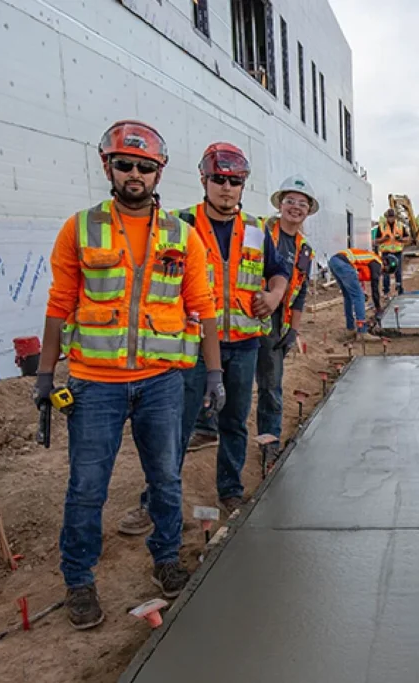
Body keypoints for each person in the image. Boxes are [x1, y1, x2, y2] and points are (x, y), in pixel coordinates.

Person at [34, 120, 223, 629]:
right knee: (87, 487)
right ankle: (79, 579)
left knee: (165, 478)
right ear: (107, 167)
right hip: (95, 384)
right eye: (125, 165)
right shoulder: (80, 228)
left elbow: (203, 307)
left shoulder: (181, 236)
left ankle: (166, 558)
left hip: (161, 382)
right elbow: (59, 304)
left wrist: (214, 374)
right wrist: (45, 376)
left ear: (159, 173)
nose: (134, 174)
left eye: (145, 167)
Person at [118, 142, 290, 536]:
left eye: (234, 181)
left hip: (243, 342)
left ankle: (229, 490)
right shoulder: (178, 225)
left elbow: (279, 269)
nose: (226, 188)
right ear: (204, 180)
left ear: (243, 185)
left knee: (234, 422)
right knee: (176, 427)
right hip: (192, 346)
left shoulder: (256, 229)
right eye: (219, 180)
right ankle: (155, 503)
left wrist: (275, 295)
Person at [257, 175, 317, 474]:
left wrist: (293, 329)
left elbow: (299, 292)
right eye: (290, 201)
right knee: (231, 380)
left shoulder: (305, 249)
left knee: (271, 385)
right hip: (245, 311)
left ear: (308, 211)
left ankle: (269, 443)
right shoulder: (258, 230)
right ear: (280, 204)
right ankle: (208, 427)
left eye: (302, 204)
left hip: (276, 319)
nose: (296, 207)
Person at [329, 248, 396, 341]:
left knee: (348, 296)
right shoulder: (377, 263)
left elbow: (357, 276)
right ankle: (362, 331)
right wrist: (378, 307)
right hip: (344, 263)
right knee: (358, 297)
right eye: (383, 272)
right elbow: (375, 287)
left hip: (334, 261)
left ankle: (350, 329)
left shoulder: (371, 258)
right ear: (386, 267)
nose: (381, 274)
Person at [376, 208, 408, 295]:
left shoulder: (400, 225)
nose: (391, 219)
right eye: (389, 217)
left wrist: (400, 239)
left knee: (398, 270)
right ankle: (386, 290)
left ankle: (399, 288)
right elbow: (376, 240)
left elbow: (407, 238)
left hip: (397, 252)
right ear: (386, 217)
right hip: (386, 252)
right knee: (386, 271)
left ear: (395, 217)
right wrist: (384, 239)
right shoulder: (382, 226)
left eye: (392, 217)